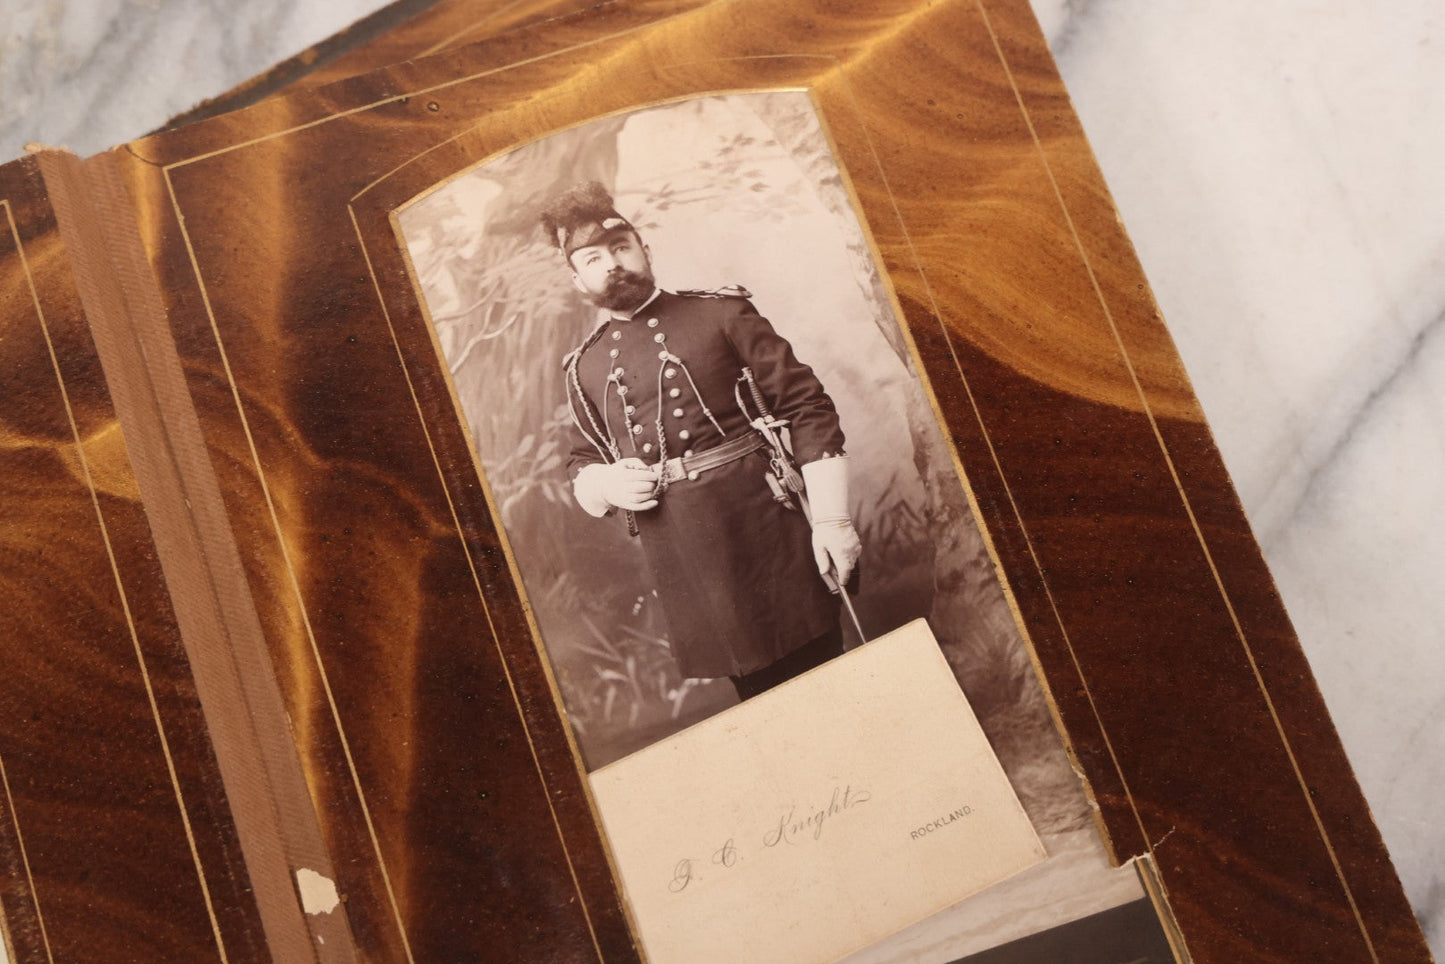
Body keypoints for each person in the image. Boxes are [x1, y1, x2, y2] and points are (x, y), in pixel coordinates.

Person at [543, 181, 861, 700]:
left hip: (767, 527)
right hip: (685, 548)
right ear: (577, 279)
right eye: (593, 259)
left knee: (829, 679)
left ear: (646, 250)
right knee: (760, 699)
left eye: (621, 247)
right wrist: (605, 483)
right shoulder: (585, 367)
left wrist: (832, 519)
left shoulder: (721, 314)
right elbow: (583, 458)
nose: (612, 264)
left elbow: (807, 405)